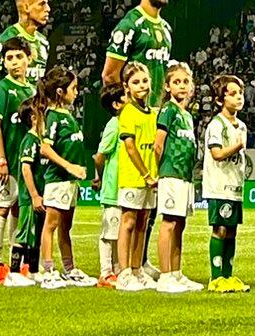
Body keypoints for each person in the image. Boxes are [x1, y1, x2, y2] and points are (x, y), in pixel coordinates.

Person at [28, 66, 93, 288]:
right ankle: (47, 270)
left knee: (66, 226)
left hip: (69, 182)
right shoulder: (53, 116)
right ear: (60, 91)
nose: (76, 92)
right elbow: (45, 149)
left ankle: (69, 268)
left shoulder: (67, 115)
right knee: (51, 224)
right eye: (73, 88)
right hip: (58, 179)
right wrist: (70, 166)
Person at [0, 35, 36, 284]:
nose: (14, 62)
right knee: (0, 208)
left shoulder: (32, 90)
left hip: (26, 163)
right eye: (9, 58)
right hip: (8, 163)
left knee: (19, 209)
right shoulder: (1, 90)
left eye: (18, 56)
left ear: (29, 58)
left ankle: (17, 263)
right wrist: (0, 159)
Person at [154, 60, 202, 292]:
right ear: (167, 87)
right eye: (177, 82)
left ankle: (176, 272)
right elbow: (158, 144)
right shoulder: (168, 110)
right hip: (171, 174)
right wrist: (156, 172)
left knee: (180, 223)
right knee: (169, 222)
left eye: (186, 82)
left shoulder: (187, 116)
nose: (182, 86)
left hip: (185, 176)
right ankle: (165, 276)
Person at [113, 58, 160, 290]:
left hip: (151, 178)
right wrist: (145, 174)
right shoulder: (128, 112)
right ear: (126, 87)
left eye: (144, 80)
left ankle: (137, 268)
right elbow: (130, 147)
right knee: (129, 221)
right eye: (135, 82)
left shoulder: (153, 114)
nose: (141, 85)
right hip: (134, 177)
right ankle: (123, 273)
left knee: (143, 222)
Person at [201, 72, 249, 293]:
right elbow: (217, 154)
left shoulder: (241, 126)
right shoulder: (216, 124)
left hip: (235, 186)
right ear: (220, 100)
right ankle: (216, 277)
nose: (239, 97)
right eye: (232, 94)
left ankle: (228, 276)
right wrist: (236, 148)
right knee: (220, 229)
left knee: (231, 231)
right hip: (219, 186)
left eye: (240, 93)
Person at [103, 0, 175, 108]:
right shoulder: (129, 25)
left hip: (158, 112)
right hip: (136, 113)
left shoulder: (166, 27)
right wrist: (128, 108)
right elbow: (109, 75)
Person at [0, 0, 51, 94]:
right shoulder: (6, 40)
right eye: (42, 4)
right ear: (26, 7)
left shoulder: (43, 42)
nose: (48, 9)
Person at [92, 109, 123, 285]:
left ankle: (118, 270)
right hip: (113, 188)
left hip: (126, 186)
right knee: (109, 233)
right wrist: (102, 177)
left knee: (120, 233)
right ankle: (105, 272)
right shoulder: (114, 124)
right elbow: (100, 156)